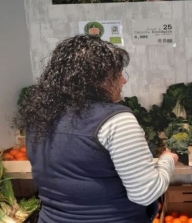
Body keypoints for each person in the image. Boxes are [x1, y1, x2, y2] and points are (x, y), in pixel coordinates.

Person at [13, 35, 179, 223]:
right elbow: (145, 193)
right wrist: (167, 160)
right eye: (117, 74)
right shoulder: (116, 120)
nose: (123, 80)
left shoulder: (39, 117)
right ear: (96, 80)